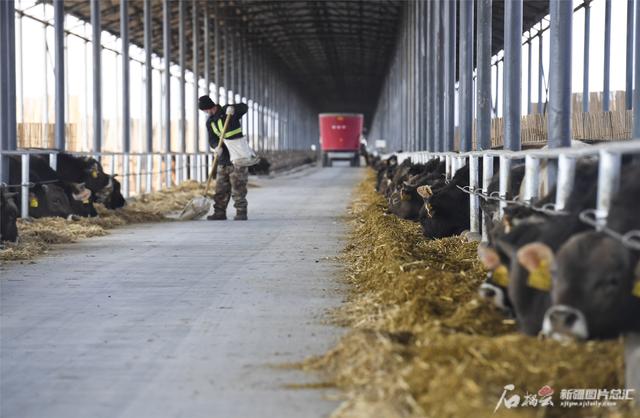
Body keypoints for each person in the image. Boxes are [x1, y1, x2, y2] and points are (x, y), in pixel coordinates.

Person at [198, 95, 249, 221]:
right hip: (223, 159)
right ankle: (219, 213)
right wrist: (216, 146)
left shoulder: (228, 112)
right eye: (204, 111)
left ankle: (241, 212)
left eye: (206, 110)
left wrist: (234, 108)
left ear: (212, 106)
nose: (206, 113)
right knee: (220, 188)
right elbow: (212, 138)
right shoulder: (210, 122)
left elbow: (244, 107)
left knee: (238, 186)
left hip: (238, 156)